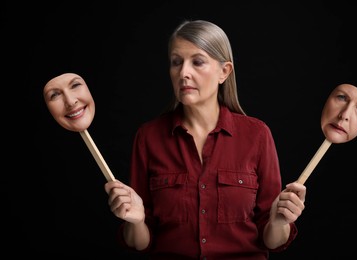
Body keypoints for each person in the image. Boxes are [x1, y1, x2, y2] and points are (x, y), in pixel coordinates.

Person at [104, 19, 306, 259]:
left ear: (224, 71)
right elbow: (139, 243)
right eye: (176, 62)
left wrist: (278, 222)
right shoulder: (148, 137)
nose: (183, 72)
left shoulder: (257, 135)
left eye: (197, 62)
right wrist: (136, 221)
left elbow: (272, 241)